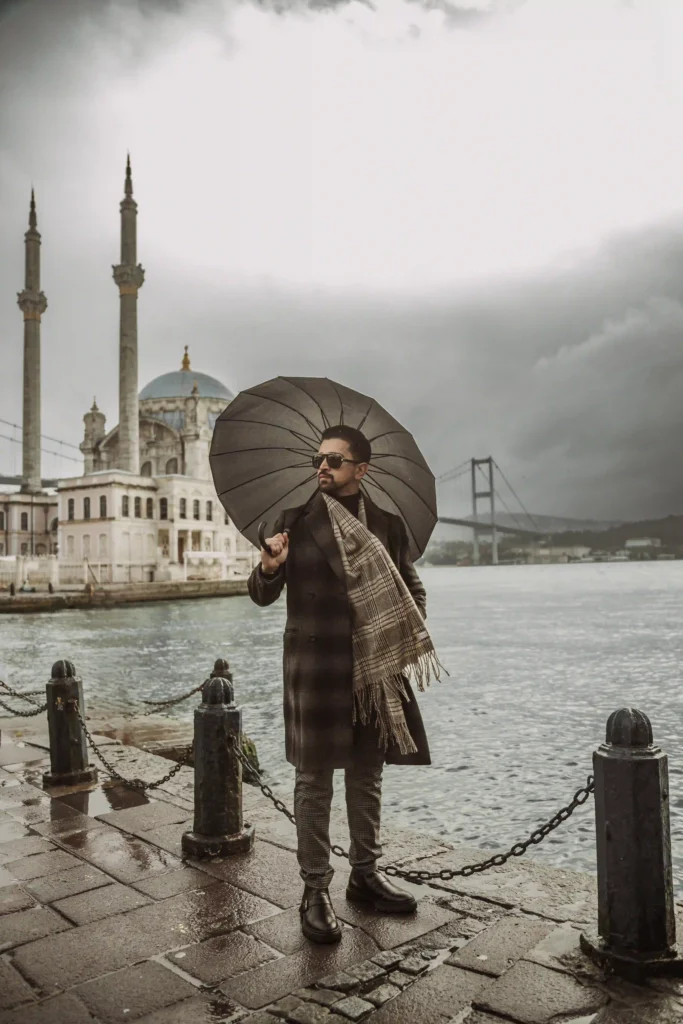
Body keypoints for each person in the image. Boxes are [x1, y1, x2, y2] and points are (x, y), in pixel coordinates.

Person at [248, 425, 443, 944]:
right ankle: (314, 890)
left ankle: (365, 875)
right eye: (319, 459)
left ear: (362, 469)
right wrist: (269, 567)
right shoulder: (292, 522)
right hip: (315, 668)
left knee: (366, 774)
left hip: (372, 671)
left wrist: (397, 634)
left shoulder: (387, 524)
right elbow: (261, 593)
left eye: (335, 460)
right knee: (313, 782)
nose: (323, 467)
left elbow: (408, 590)